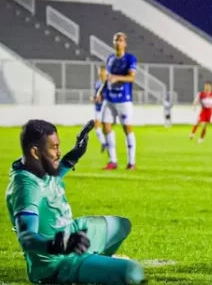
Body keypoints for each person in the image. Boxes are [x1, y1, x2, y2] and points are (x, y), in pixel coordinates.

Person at [5, 119, 145, 284]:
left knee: (122, 226)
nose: (59, 152)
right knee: (132, 272)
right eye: (54, 147)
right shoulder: (26, 188)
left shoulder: (35, 166)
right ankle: (81, 272)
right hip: (57, 263)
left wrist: (76, 153)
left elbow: (53, 177)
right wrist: (58, 244)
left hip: (70, 233)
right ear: (36, 152)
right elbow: (27, 237)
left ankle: (94, 266)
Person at [96, 32, 137, 170]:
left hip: (124, 100)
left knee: (127, 129)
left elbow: (132, 78)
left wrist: (117, 78)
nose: (118, 43)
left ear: (125, 43)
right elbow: (107, 78)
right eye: (116, 40)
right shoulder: (110, 59)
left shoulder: (130, 59)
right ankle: (112, 161)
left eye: (120, 40)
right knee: (106, 127)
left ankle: (131, 163)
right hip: (109, 99)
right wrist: (100, 92)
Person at [92, 65, 108, 152]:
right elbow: (96, 95)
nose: (100, 73)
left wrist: (102, 97)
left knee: (106, 128)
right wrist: (94, 98)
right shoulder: (97, 83)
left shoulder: (108, 83)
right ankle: (104, 143)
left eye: (102, 71)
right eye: (99, 71)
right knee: (97, 127)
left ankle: (106, 144)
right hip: (98, 108)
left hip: (106, 109)